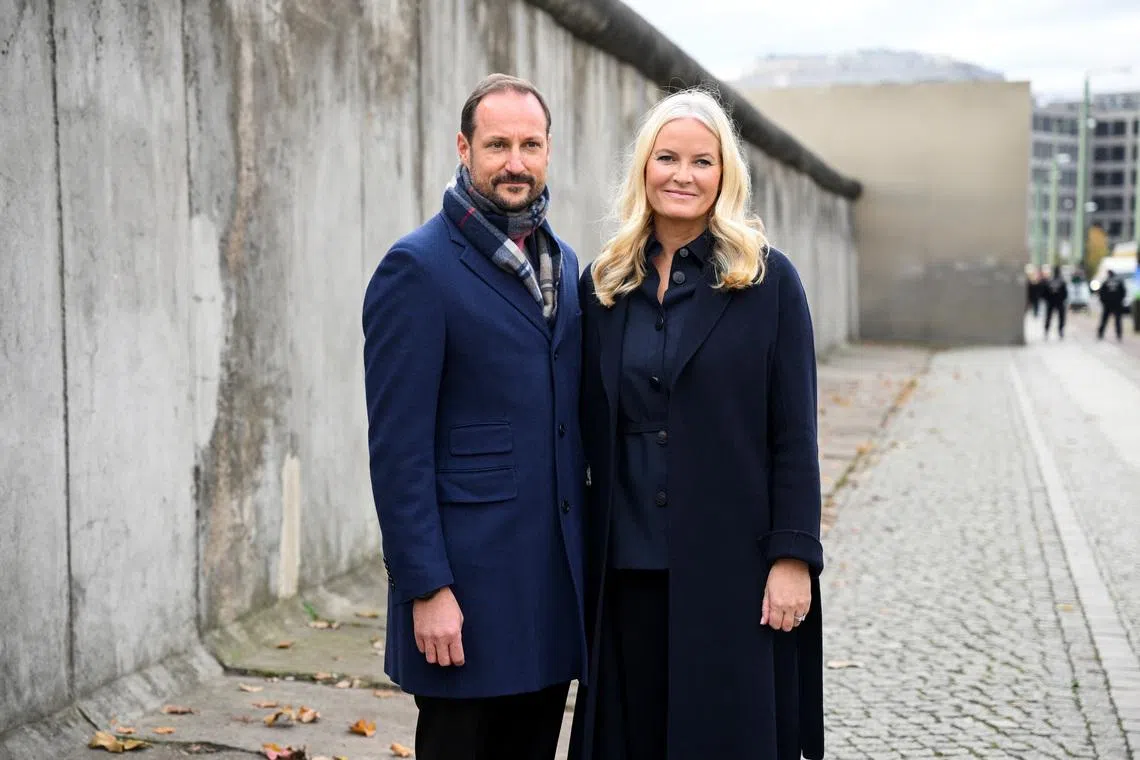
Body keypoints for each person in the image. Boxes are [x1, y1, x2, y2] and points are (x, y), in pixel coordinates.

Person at [569, 89, 824, 760]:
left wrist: (791, 557)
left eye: (701, 161)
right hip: (624, 569)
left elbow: (794, 435)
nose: (682, 175)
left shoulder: (769, 283)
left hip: (732, 569)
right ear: (643, 169)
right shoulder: (602, 286)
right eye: (667, 158)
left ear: (725, 175)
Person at [362, 73, 586, 760]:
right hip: (466, 594)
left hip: (548, 590)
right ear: (465, 148)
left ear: (549, 151)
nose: (514, 162)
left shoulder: (565, 264)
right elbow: (398, 450)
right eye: (497, 145)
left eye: (530, 144)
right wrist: (426, 586)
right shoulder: (418, 269)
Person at [1097, 269, 1126, 341]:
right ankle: (1119, 334)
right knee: (1118, 320)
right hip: (1117, 304)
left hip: (1108, 304)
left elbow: (1101, 293)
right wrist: (1120, 301)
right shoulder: (1119, 281)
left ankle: (1100, 333)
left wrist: (1104, 302)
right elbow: (1124, 292)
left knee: (1104, 319)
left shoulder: (1106, 281)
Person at [1043, 266, 1068, 339]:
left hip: (1052, 302)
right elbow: (1065, 293)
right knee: (1059, 317)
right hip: (1058, 302)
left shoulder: (1050, 281)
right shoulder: (1061, 281)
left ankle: (1048, 330)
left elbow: (1045, 293)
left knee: (1050, 317)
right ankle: (1058, 331)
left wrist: (1048, 300)